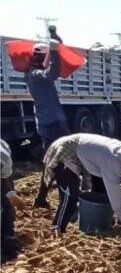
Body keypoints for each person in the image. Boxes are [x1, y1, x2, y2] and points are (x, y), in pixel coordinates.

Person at [42, 134, 121, 236]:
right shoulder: (113, 163)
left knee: (102, 191)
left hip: (88, 154)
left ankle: (97, 218)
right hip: (67, 149)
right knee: (70, 194)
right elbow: (116, 197)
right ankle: (57, 227)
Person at [26, 26, 70, 208]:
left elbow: (47, 65)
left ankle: (41, 199)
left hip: (47, 124)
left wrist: (53, 42)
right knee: (63, 162)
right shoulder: (37, 76)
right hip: (53, 125)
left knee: (51, 162)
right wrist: (54, 51)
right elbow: (53, 72)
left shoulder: (32, 74)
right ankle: (64, 200)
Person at [1, 140, 22, 262]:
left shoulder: (4, 159)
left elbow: (6, 184)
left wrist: (11, 196)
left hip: (4, 171)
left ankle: (7, 234)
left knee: (6, 201)